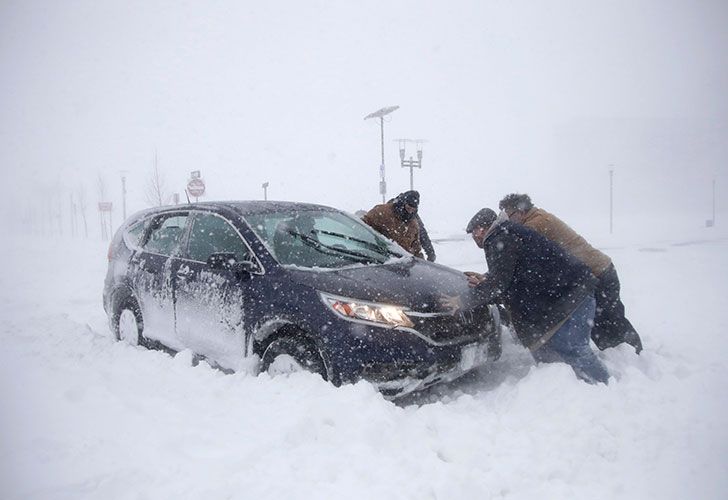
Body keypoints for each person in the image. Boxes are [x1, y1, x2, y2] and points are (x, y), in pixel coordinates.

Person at [444, 208, 610, 384]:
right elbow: (508, 273)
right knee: (548, 353)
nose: (474, 237)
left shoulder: (500, 238)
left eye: (474, 232)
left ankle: (604, 386)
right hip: (565, 294)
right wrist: (487, 280)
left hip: (571, 296)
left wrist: (463, 301)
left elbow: (500, 283)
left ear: (482, 229)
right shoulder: (506, 233)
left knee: (572, 348)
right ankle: (566, 389)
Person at [499, 193, 642, 354]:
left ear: (520, 211)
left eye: (508, 215)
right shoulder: (538, 218)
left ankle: (635, 357)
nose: (507, 221)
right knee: (603, 322)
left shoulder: (537, 223)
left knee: (610, 322)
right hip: (595, 273)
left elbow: (515, 255)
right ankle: (627, 356)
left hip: (599, 273)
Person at [362, 190, 424, 258]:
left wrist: (423, 264)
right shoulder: (382, 212)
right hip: (379, 260)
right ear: (403, 202)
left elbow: (416, 248)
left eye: (414, 208)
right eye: (409, 206)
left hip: (403, 263)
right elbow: (362, 226)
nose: (411, 210)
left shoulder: (414, 224)